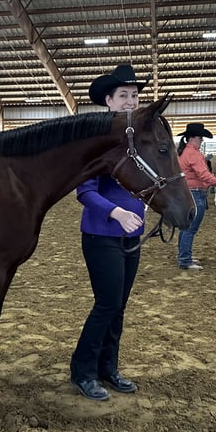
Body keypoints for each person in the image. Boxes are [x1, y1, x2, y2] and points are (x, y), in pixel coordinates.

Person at [69, 64, 145, 401]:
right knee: (107, 303)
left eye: (135, 96)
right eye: (124, 96)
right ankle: (83, 371)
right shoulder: (96, 142)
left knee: (120, 306)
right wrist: (116, 212)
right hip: (102, 234)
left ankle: (108, 368)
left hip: (132, 235)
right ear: (109, 102)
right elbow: (84, 192)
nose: (131, 101)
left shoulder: (139, 141)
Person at [176, 123, 216, 270]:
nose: (202, 141)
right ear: (193, 138)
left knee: (185, 227)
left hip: (187, 192)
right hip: (195, 193)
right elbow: (204, 175)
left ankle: (183, 255)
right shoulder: (194, 154)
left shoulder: (185, 152)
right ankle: (185, 259)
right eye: (201, 138)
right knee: (190, 228)